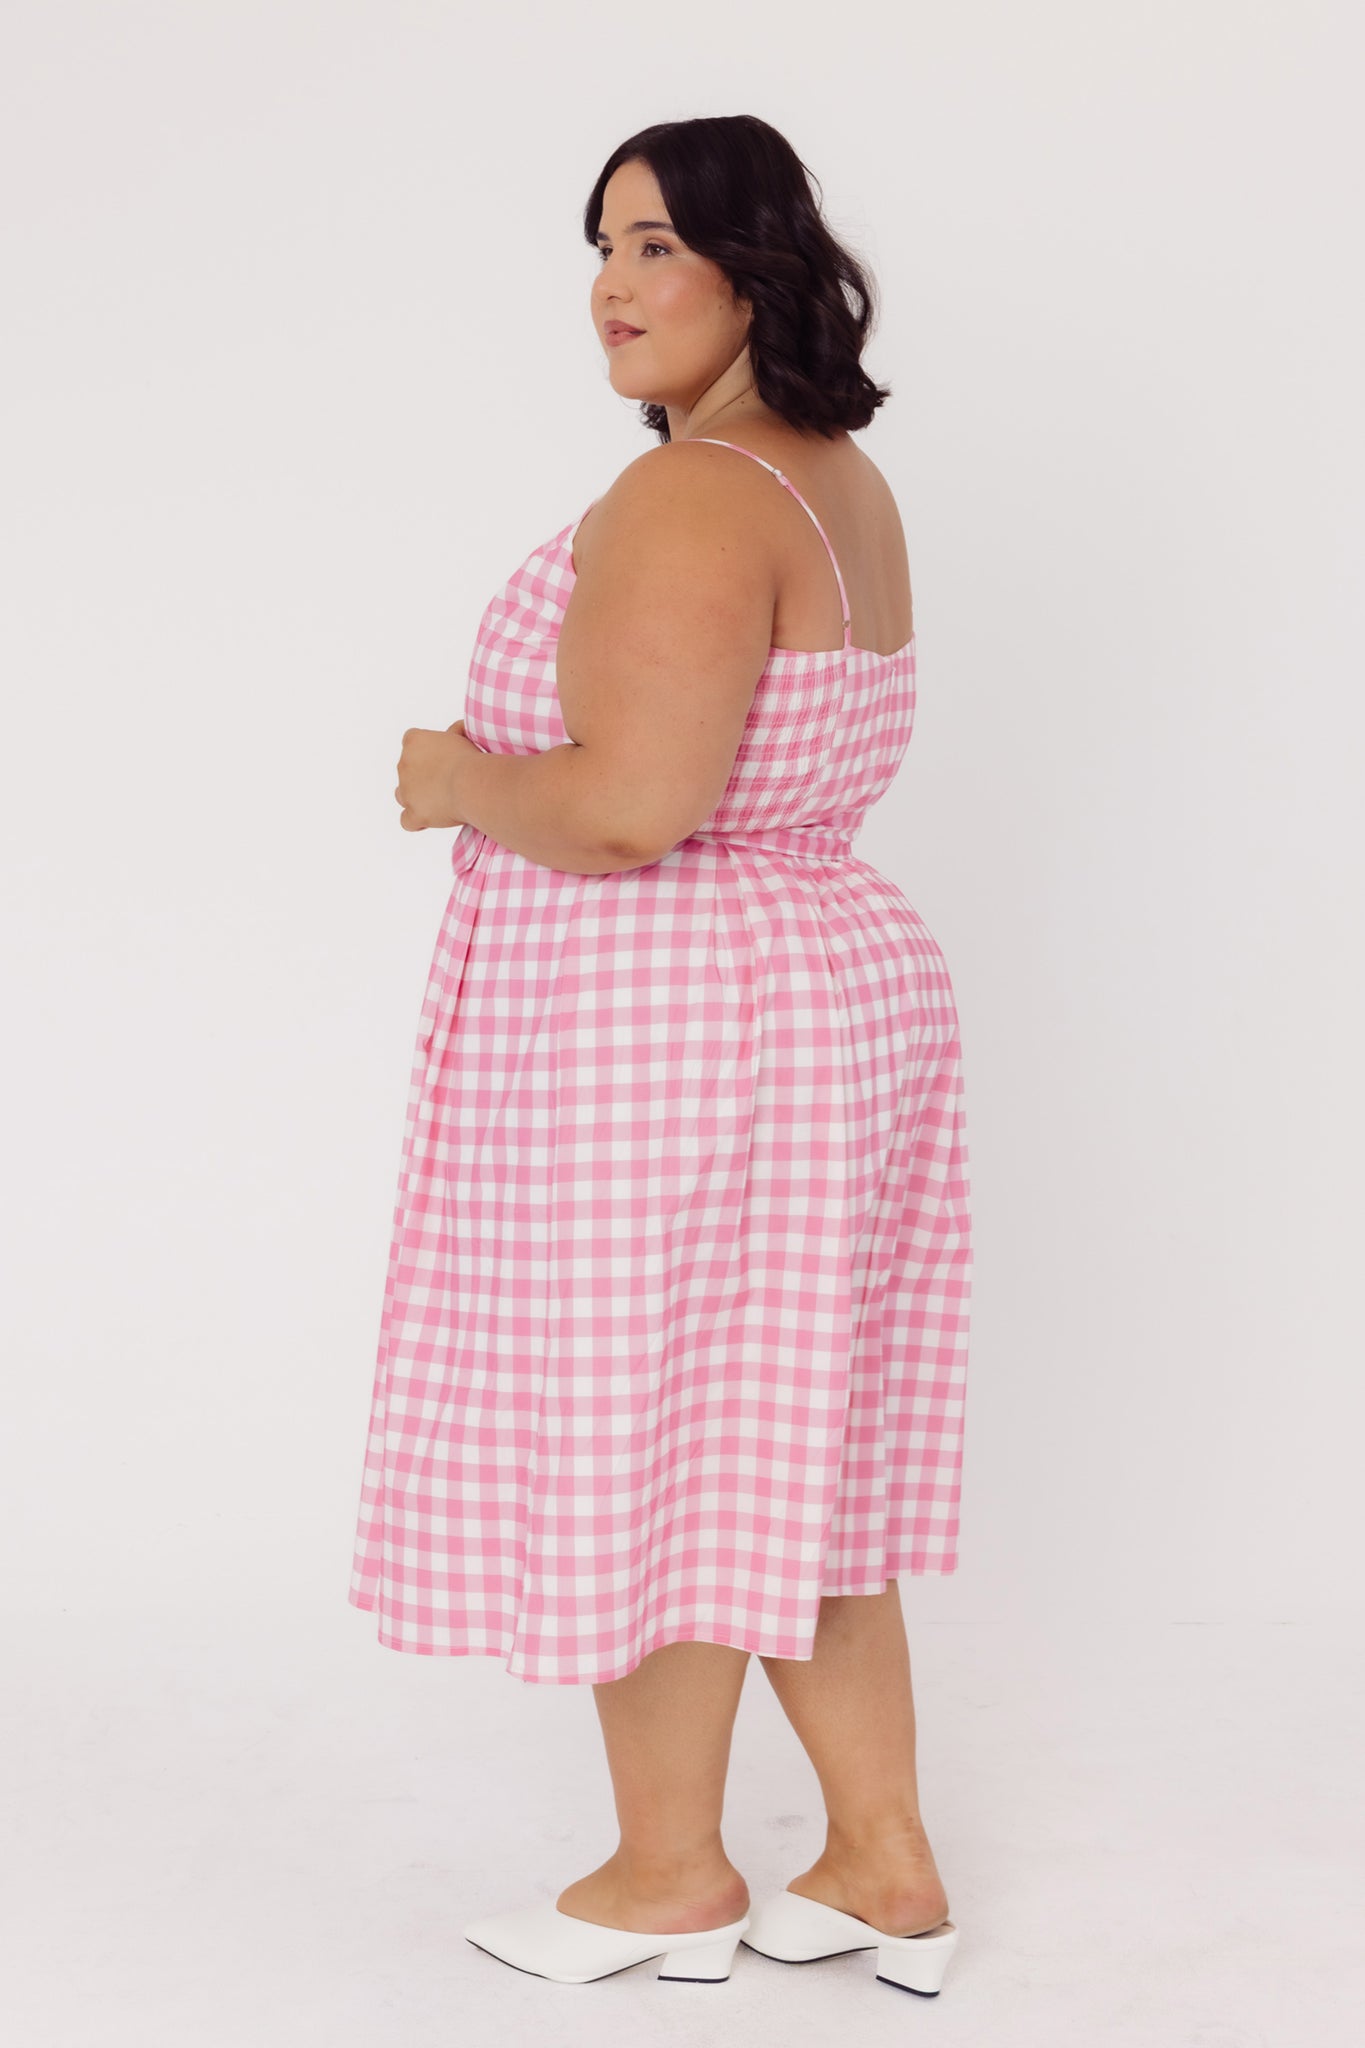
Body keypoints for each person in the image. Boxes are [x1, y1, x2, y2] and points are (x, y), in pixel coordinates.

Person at [349, 115, 971, 1993]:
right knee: (801, 1446)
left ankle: (666, 1873)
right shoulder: (834, 481)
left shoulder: (695, 499)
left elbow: (631, 809)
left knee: (644, 1430)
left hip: (683, 1017)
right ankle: (876, 1864)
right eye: (600, 247)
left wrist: (457, 776)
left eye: (654, 249)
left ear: (751, 268)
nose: (612, 288)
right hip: (816, 992)